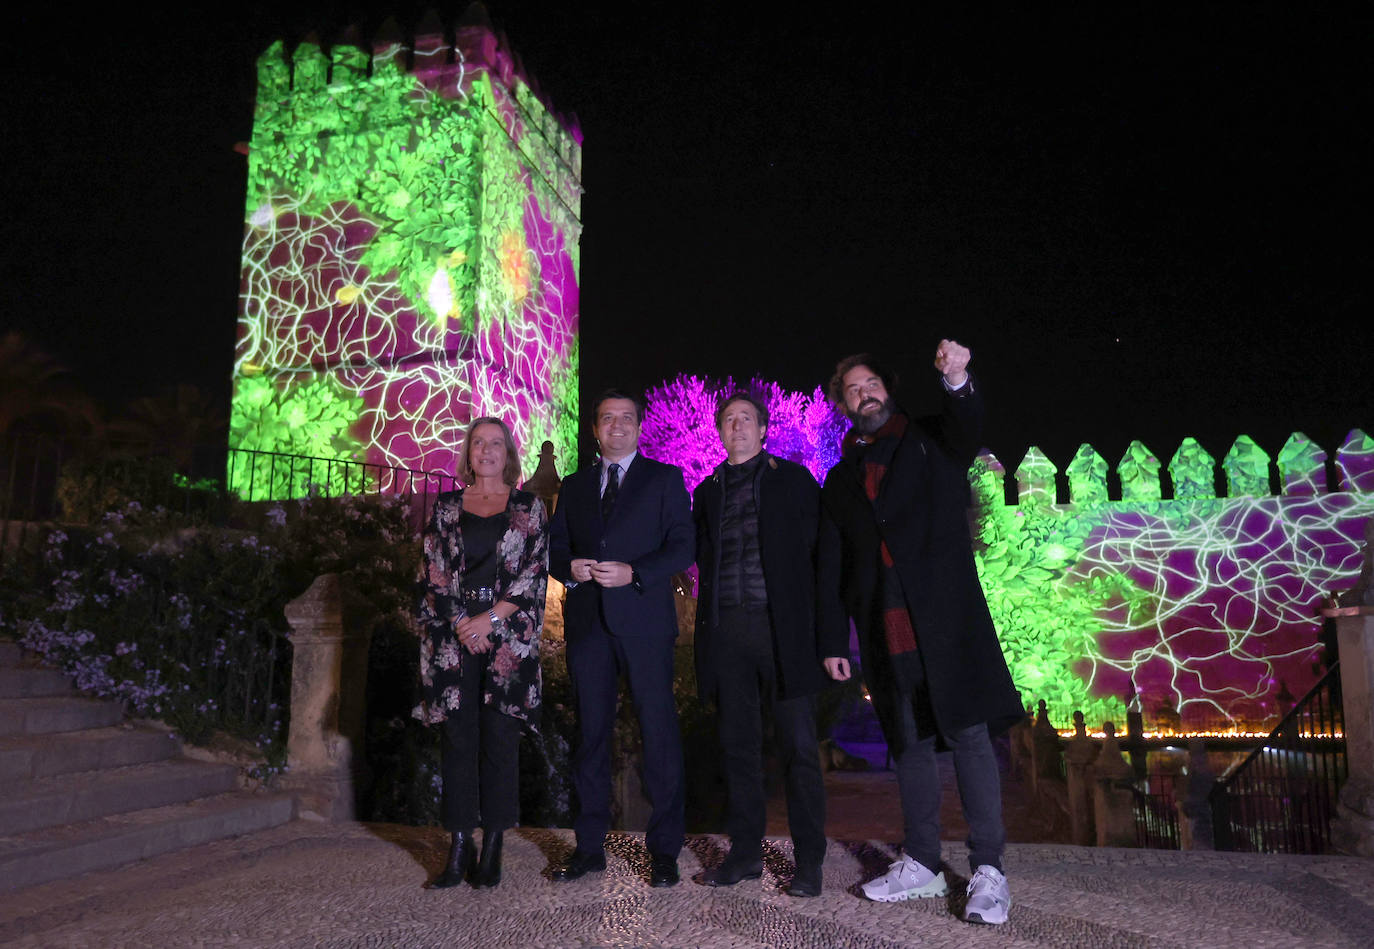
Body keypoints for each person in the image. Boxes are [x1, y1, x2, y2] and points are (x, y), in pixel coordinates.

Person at [816, 343, 1023, 925]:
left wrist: (957, 377)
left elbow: (967, 423)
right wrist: (833, 640)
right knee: (907, 743)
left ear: (889, 387)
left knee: (969, 738)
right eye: (853, 389)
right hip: (883, 627)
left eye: (871, 382)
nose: (864, 393)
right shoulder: (840, 479)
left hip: (945, 620)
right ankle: (924, 863)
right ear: (845, 404)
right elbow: (833, 563)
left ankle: (989, 869)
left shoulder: (931, 440)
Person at [691, 391, 846, 897]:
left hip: (784, 634)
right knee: (737, 749)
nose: (737, 425)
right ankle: (744, 855)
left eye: (747, 419)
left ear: (763, 430)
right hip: (729, 633)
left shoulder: (795, 482)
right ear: (721, 430)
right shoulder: (708, 491)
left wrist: (831, 638)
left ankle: (808, 861)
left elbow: (825, 562)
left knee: (799, 748)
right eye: (729, 419)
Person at [548, 389, 695, 887]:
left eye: (626, 418)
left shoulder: (664, 479)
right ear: (594, 428)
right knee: (590, 737)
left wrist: (635, 572)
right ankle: (589, 848)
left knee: (659, 735)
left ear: (638, 426)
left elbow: (683, 545)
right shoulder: (573, 485)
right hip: (589, 627)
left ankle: (664, 852)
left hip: (646, 625)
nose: (617, 426)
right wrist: (569, 566)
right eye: (607, 418)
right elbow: (555, 547)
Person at [415, 416, 549, 890]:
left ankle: (492, 844)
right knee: (457, 740)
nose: (487, 451)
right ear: (469, 454)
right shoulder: (448, 507)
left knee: (498, 740)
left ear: (508, 452)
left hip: (507, 638)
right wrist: (462, 624)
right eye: (478, 444)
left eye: (496, 443)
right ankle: (458, 844)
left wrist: (489, 620)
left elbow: (533, 574)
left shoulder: (529, 507)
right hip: (453, 640)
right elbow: (432, 572)